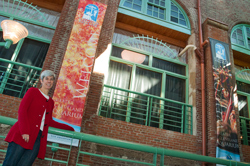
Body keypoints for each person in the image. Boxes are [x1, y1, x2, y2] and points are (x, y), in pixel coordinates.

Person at [3, 70, 74, 166]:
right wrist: (25, 132)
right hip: (22, 134)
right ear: (41, 80)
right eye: (46, 79)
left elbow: (49, 122)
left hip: (37, 139)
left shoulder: (50, 102)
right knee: (10, 163)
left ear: (53, 82)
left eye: (51, 79)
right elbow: (22, 111)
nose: (49, 81)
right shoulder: (32, 91)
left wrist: (70, 128)